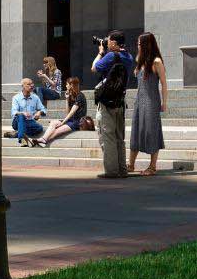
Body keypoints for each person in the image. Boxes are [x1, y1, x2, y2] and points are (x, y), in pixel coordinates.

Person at [91, 32, 134, 179]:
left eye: (108, 41)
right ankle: (122, 170)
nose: (107, 43)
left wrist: (101, 53)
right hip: (120, 100)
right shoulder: (129, 57)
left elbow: (94, 68)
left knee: (107, 135)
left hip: (107, 101)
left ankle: (111, 171)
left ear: (114, 43)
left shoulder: (110, 56)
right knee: (119, 136)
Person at [129, 31, 168, 176]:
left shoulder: (156, 61)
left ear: (146, 44)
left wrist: (164, 102)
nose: (137, 45)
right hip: (140, 100)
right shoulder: (140, 59)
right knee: (136, 130)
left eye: (139, 43)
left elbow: (163, 83)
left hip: (151, 101)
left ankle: (152, 166)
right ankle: (131, 164)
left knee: (152, 131)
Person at [34, 78, 89, 148]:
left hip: (77, 122)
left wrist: (63, 123)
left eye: (67, 84)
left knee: (57, 130)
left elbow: (72, 112)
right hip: (70, 120)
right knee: (53, 123)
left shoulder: (80, 96)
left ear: (71, 85)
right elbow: (67, 112)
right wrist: (67, 99)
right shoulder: (72, 96)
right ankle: (43, 139)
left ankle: (44, 140)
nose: (66, 86)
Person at [10, 78, 48, 145]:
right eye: (29, 84)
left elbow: (44, 109)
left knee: (40, 128)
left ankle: (17, 133)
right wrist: (23, 113)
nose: (32, 85)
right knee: (21, 116)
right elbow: (13, 112)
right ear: (23, 86)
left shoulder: (35, 97)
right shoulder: (16, 98)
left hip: (30, 122)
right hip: (17, 122)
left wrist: (39, 112)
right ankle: (22, 140)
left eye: (32, 83)